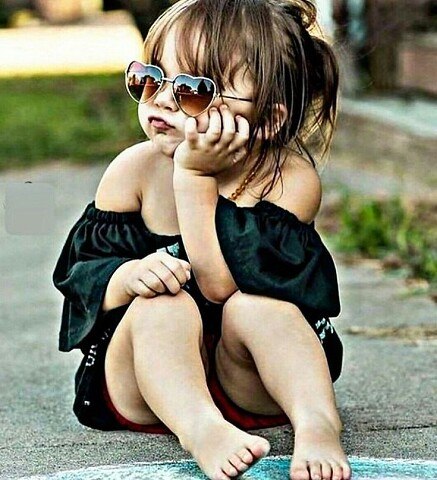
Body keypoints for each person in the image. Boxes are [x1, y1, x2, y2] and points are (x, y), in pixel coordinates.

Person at [52, 1, 351, 479]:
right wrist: (128, 276)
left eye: (194, 90)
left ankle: (317, 422)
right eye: (151, 78)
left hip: (248, 383)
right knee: (160, 304)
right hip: (150, 384)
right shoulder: (134, 170)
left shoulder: (286, 180)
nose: (163, 100)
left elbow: (222, 288)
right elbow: (81, 280)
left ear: (267, 120)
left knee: (260, 308)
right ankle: (202, 429)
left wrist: (193, 179)